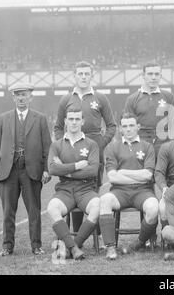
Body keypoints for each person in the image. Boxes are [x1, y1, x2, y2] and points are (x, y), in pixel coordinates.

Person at [54, 61, 116, 233]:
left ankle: (94, 235)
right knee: (72, 189)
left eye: (86, 74)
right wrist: (62, 147)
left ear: (92, 76)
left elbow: (112, 125)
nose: (83, 77)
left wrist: (100, 144)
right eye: (80, 74)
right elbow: (58, 127)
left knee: (92, 194)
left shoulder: (101, 98)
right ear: (74, 76)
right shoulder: (66, 99)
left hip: (94, 153)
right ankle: (78, 235)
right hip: (71, 154)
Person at [0, 82, 52, 256]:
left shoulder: (40, 118)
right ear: (13, 97)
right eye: (17, 95)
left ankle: (36, 245)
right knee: (8, 212)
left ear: (30, 97)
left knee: (34, 210)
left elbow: (47, 146)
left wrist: (46, 169)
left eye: (24, 94)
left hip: (31, 170)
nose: (21, 98)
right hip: (8, 170)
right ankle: (7, 246)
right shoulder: (3, 118)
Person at [98, 113, 158, 260]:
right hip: (120, 192)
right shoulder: (113, 147)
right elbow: (112, 177)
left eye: (131, 125)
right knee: (105, 200)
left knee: (153, 207)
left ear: (138, 127)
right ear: (120, 129)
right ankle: (110, 247)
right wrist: (137, 175)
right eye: (125, 126)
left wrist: (123, 172)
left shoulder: (147, 146)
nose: (128, 129)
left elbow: (148, 176)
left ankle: (140, 242)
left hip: (143, 191)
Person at [47, 108, 100, 260]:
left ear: (83, 121)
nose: (74, 122)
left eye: (77, 119)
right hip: (65, 189)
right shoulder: (56, 145)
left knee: (97, 206)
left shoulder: (92, 144)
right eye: (71, 119)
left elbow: (92, 170)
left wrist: (63, 169)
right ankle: (74, 248)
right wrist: (76, 166)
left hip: (85, 189)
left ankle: (73, 246)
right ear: (65, 122)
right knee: (52, 208)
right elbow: (52, 168)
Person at [123, 62, 174, 155]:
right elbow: (127, 125)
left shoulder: (168, 96)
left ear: (160, 76)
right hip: (141, 143)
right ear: (143, 75)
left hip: (164, 143)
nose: (153, 77)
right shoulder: (132, 99)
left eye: (157, 74)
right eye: (150, 74)